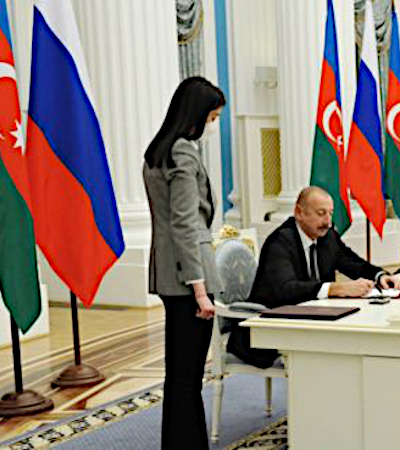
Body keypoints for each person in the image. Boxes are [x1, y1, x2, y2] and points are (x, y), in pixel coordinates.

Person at [227, 186, 400, 368]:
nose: (328, 222)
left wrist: (380, 276)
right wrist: (335, 288)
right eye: (321, 213)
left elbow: (352, 262)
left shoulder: (327, 237)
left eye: (330, 213)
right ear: (299, 212)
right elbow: (285, 289)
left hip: (311, 322)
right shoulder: (280, 241)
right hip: (267, 332)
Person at [143, 76, 225, 450]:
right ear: (197, 115)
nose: (213, 125)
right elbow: (185, 223)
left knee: (179, 375)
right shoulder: (184, 151)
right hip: (188, 279)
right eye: (213, 117)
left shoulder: (157, 150)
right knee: (188, 377)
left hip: (166, 273)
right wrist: (200, 290)